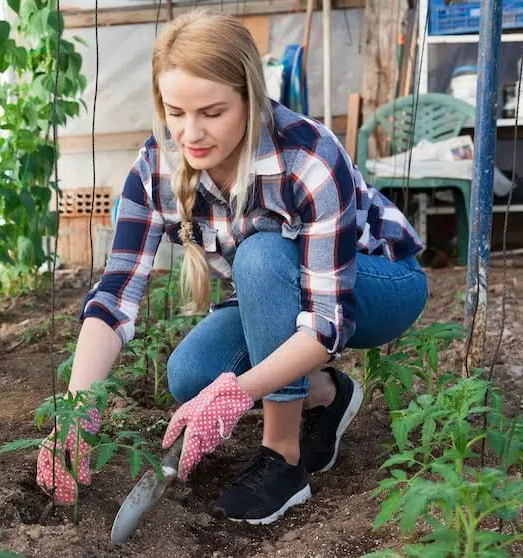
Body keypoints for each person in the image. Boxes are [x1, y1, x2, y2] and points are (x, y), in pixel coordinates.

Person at [36, 9, 428, 526]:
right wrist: (76, 413)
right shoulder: (155, 167)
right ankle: (328, 397)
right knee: (192, 376)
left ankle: (283, 458)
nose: (190, 133)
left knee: (262, 253)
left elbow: (328, 322)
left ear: (250, 96)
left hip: (380, 283)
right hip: (282, 288)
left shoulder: (307, 157)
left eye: (212, 112)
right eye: (175, 112)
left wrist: (237, 395)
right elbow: (115, 295)